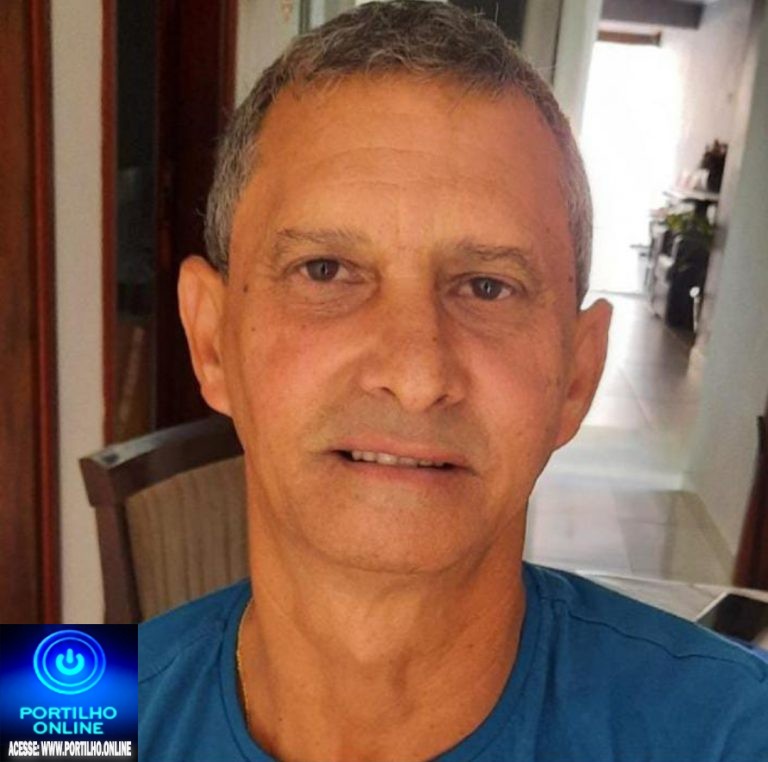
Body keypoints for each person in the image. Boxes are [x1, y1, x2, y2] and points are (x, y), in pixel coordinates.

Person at [138, 2, 768, 760]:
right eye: (325, 270)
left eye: (487, 286)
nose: (415, 374)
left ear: (577, 372)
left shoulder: (734, 729)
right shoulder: (63, 705)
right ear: (212, 341)